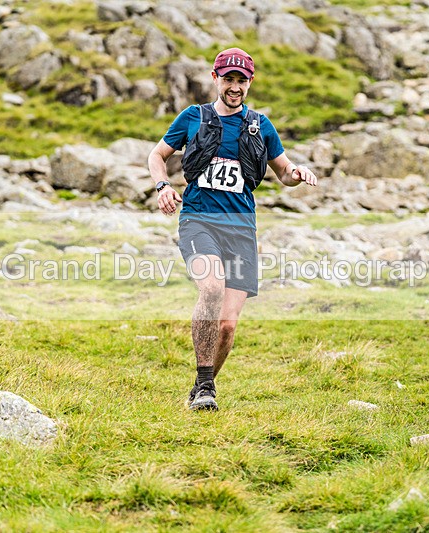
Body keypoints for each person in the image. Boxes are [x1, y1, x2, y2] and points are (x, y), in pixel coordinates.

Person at [147, 48, 318, 411]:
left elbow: (283, 173)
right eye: (228, 79)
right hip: (198, 220)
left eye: (242, 80)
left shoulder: (260, 125)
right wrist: (163, 187)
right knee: (210, 287)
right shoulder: (193, 117)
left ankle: (202, 384)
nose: (235, 86)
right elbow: (157, 155)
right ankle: (207, 388)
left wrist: (296, 174)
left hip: (241, 229)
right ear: (216, 78)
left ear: (250, 83)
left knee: (226, 325)